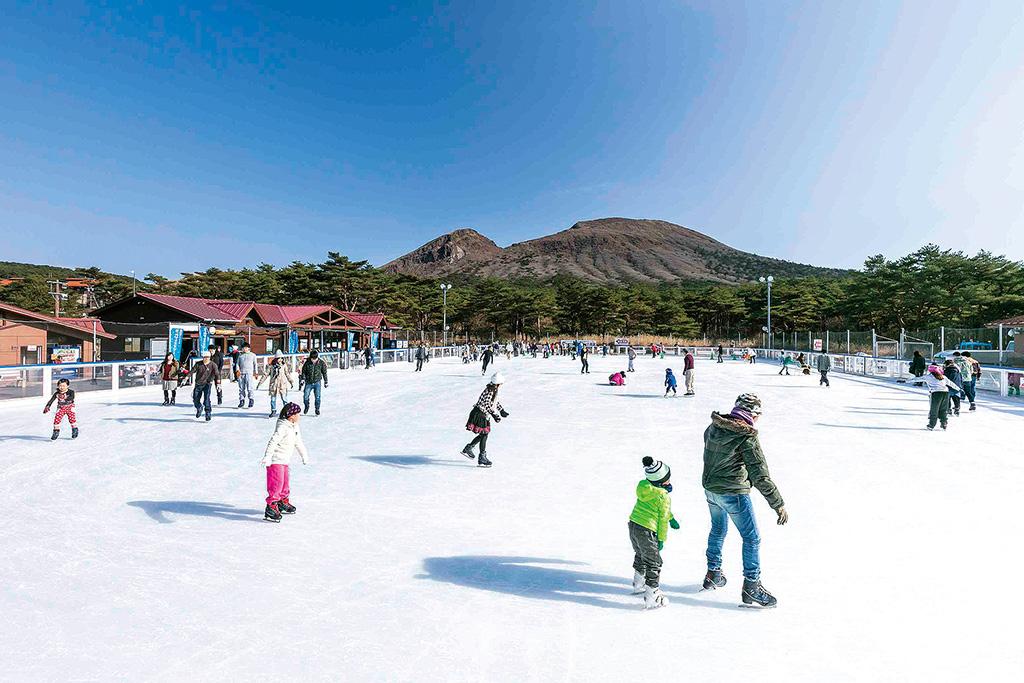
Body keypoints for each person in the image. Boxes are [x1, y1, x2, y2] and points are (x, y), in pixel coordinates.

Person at [701, 393, 786, 608]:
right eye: (758, 415)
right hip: (733, 493)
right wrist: (778, 503)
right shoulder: (746, 436)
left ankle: (713, 573)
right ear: (752, 414)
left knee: (718, 530)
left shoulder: (714, 427)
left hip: (711, 490)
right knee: (752, 538)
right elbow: (759, 475)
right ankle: (752, 587)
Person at [628, 456, 679, 609]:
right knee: (654, 561)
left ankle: (639, 582)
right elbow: (661, 519)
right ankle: (652, 595)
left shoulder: (645, 487)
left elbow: (655, 509)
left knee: (641, 553)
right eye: (667, 480)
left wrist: (672, 518)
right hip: (647, 530)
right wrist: (661, 540)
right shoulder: (663, 496)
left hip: (634, 525)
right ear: (660, 481)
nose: (669, 482)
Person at [259, 402, 310, 522]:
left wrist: (304, 455)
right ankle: (271, 506)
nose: (299, 416)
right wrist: (267, 457)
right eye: (297, 414)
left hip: (285, 460)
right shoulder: (282, 427)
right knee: (276, 484)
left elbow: (298, 442)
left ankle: (282, 502)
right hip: (275, 460)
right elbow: (273, 441)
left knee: (285, 483)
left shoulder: (294, 426)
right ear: (291, 415)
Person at [461, 372, 508, 468]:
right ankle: (481, 457)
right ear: (498, 383)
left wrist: (501, 410)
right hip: (479, 414)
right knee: (484, 434)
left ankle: (469, 448)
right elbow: (487, 404)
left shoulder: (493, 389)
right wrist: (494, 415)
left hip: (482, 413)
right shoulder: (490, 390)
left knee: (484, 434)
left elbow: (494, 401)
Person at [257, 350, 294, 417]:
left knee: (284, 399)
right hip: (274, 385)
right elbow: (265, 375)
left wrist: (291, 381)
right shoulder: (271, 366)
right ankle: (273, 410)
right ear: (276, 358)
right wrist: (260, 383)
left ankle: (287, 411)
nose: (280, 360)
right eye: (278, 358)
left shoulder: (284, 365)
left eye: (281, 358)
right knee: (273, 399)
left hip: (282, 384)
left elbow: (287, 374)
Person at [924, 365, 957, 430]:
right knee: (944, 409)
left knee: (934, 409)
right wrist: (959, 389)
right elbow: (951, 383)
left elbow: (917, 379)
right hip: (945, 393)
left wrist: (906, 381)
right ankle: (944, 423)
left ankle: (931, 425)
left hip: (935, 393)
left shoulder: (928, 377)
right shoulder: (943, 377)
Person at [191, 351, 221, 422]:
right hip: (198, 384)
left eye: (207, 357)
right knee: (195, 399)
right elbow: (192, 371)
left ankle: (208, 413)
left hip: (207, 384)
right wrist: (186, 377)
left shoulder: (213, 365)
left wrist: (218, 384)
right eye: (205, 357)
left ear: (210, 358)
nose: (206, 359)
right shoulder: (198, 364)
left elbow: (217, 374)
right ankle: (199, 407)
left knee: (206, 399)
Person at [299, 350, 329, 416]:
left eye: (315, 359)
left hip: (317, 382)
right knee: (305, 397)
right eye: (312, 359)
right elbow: (303, 372)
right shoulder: (307, 363)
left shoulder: (321, 363)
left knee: (317, 397)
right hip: (308, 382)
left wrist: (326, 381)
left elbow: (324, 372)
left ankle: (317, 409)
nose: (313, 360)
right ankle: (307, 406)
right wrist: (303, 379)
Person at [235, 343, 258, 408]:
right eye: (243, 348)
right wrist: (237, 370)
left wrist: (256, 372)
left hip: (249, 373)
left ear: (248, 348)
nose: (244, 349)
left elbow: (255, 364)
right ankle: (241, 400)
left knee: (249, 387)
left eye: (245, 348)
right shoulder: (240, 356)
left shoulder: (253, 355)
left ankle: (251, 399)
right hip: (241, 373)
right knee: (241, 388)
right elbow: (237, 364)